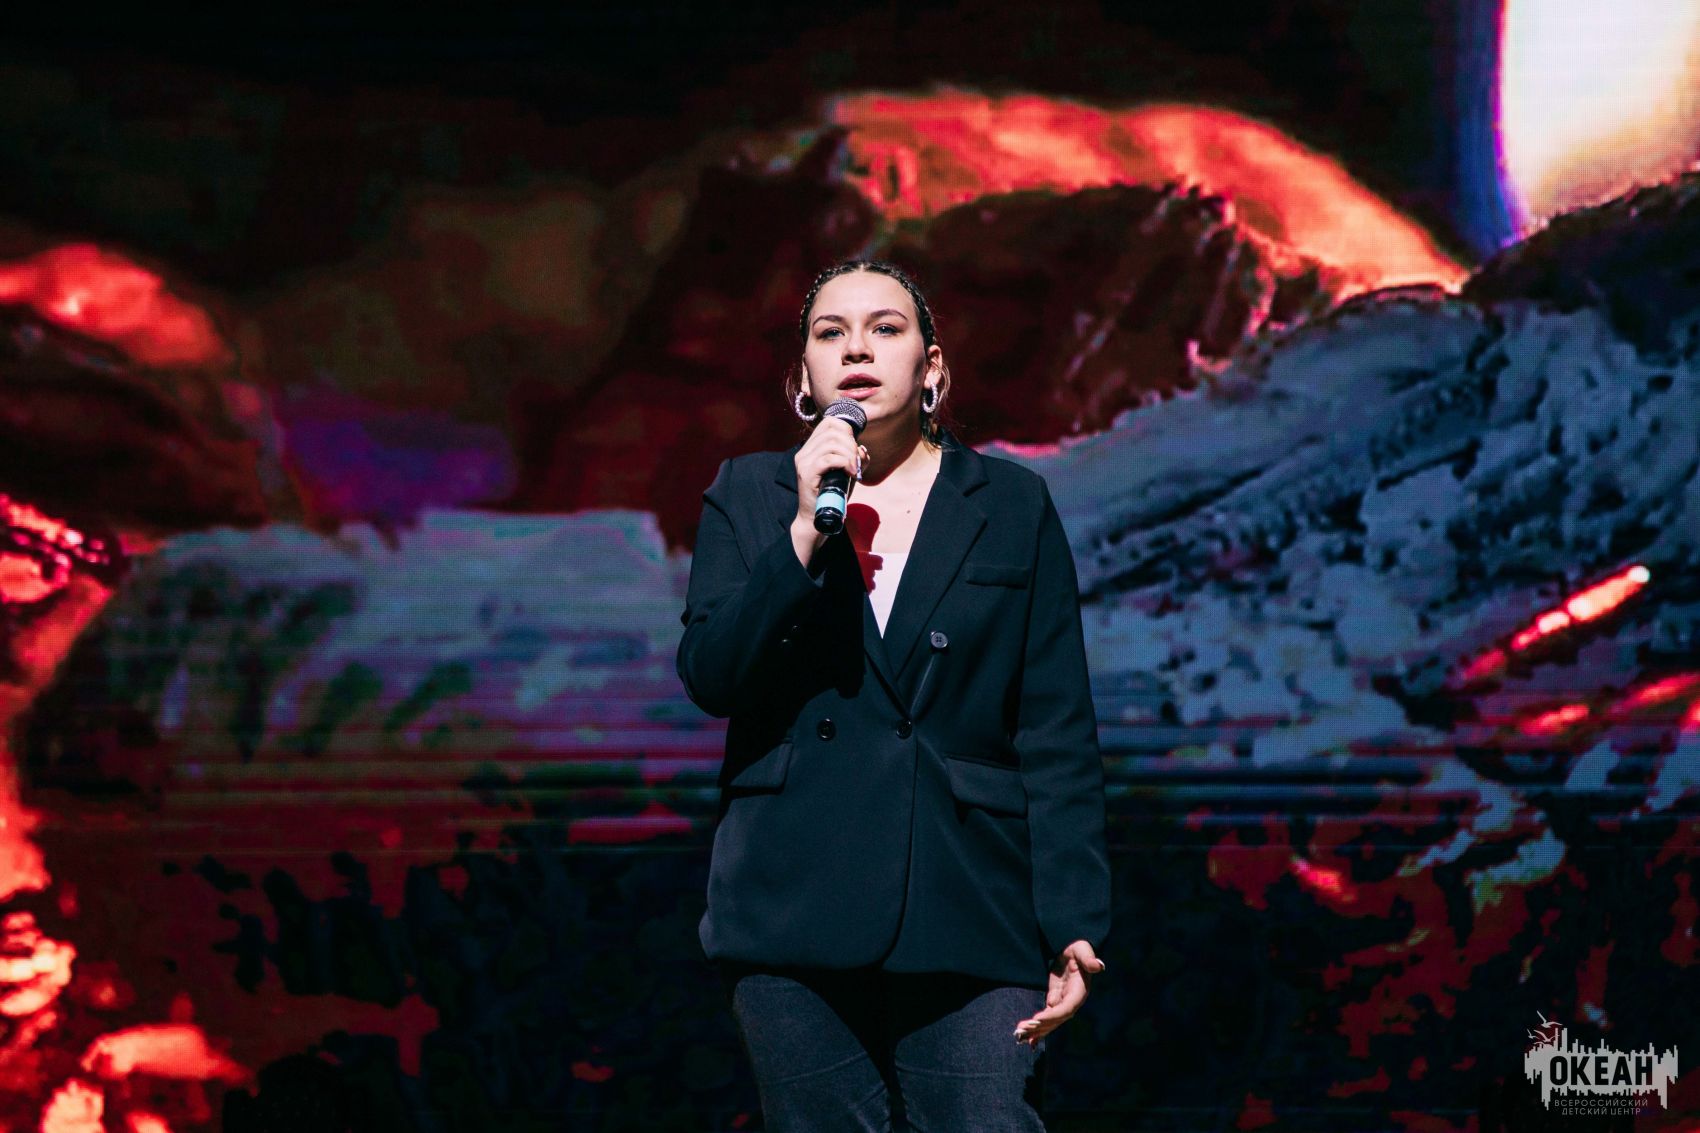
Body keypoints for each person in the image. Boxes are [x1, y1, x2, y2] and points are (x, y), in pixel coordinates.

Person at [676, 259, 1111, 1131]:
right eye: (830, 333)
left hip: (971, 898)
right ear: (804, 379)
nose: (857, 350)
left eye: (885, 328)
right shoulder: (750, 494)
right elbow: (712, 675)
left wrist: (1074, 913)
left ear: (932, 366)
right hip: (794, 900)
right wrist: (801, 536)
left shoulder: (1010, 503)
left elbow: (1054, 724)